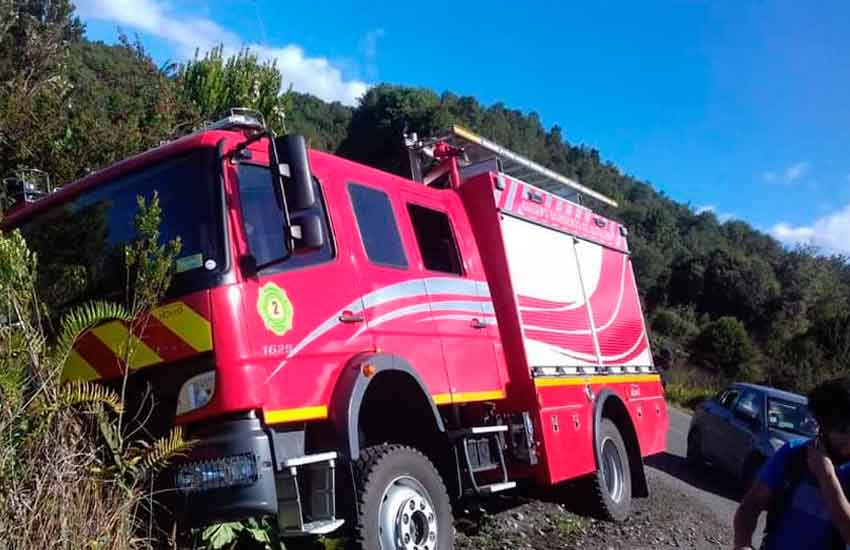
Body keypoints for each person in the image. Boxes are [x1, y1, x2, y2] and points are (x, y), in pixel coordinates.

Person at [733, 377, 850, 550]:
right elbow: (751, 504)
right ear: (823, 424)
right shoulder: (793, 454)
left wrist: (826, 476)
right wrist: (743, 544)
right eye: (842, 429)